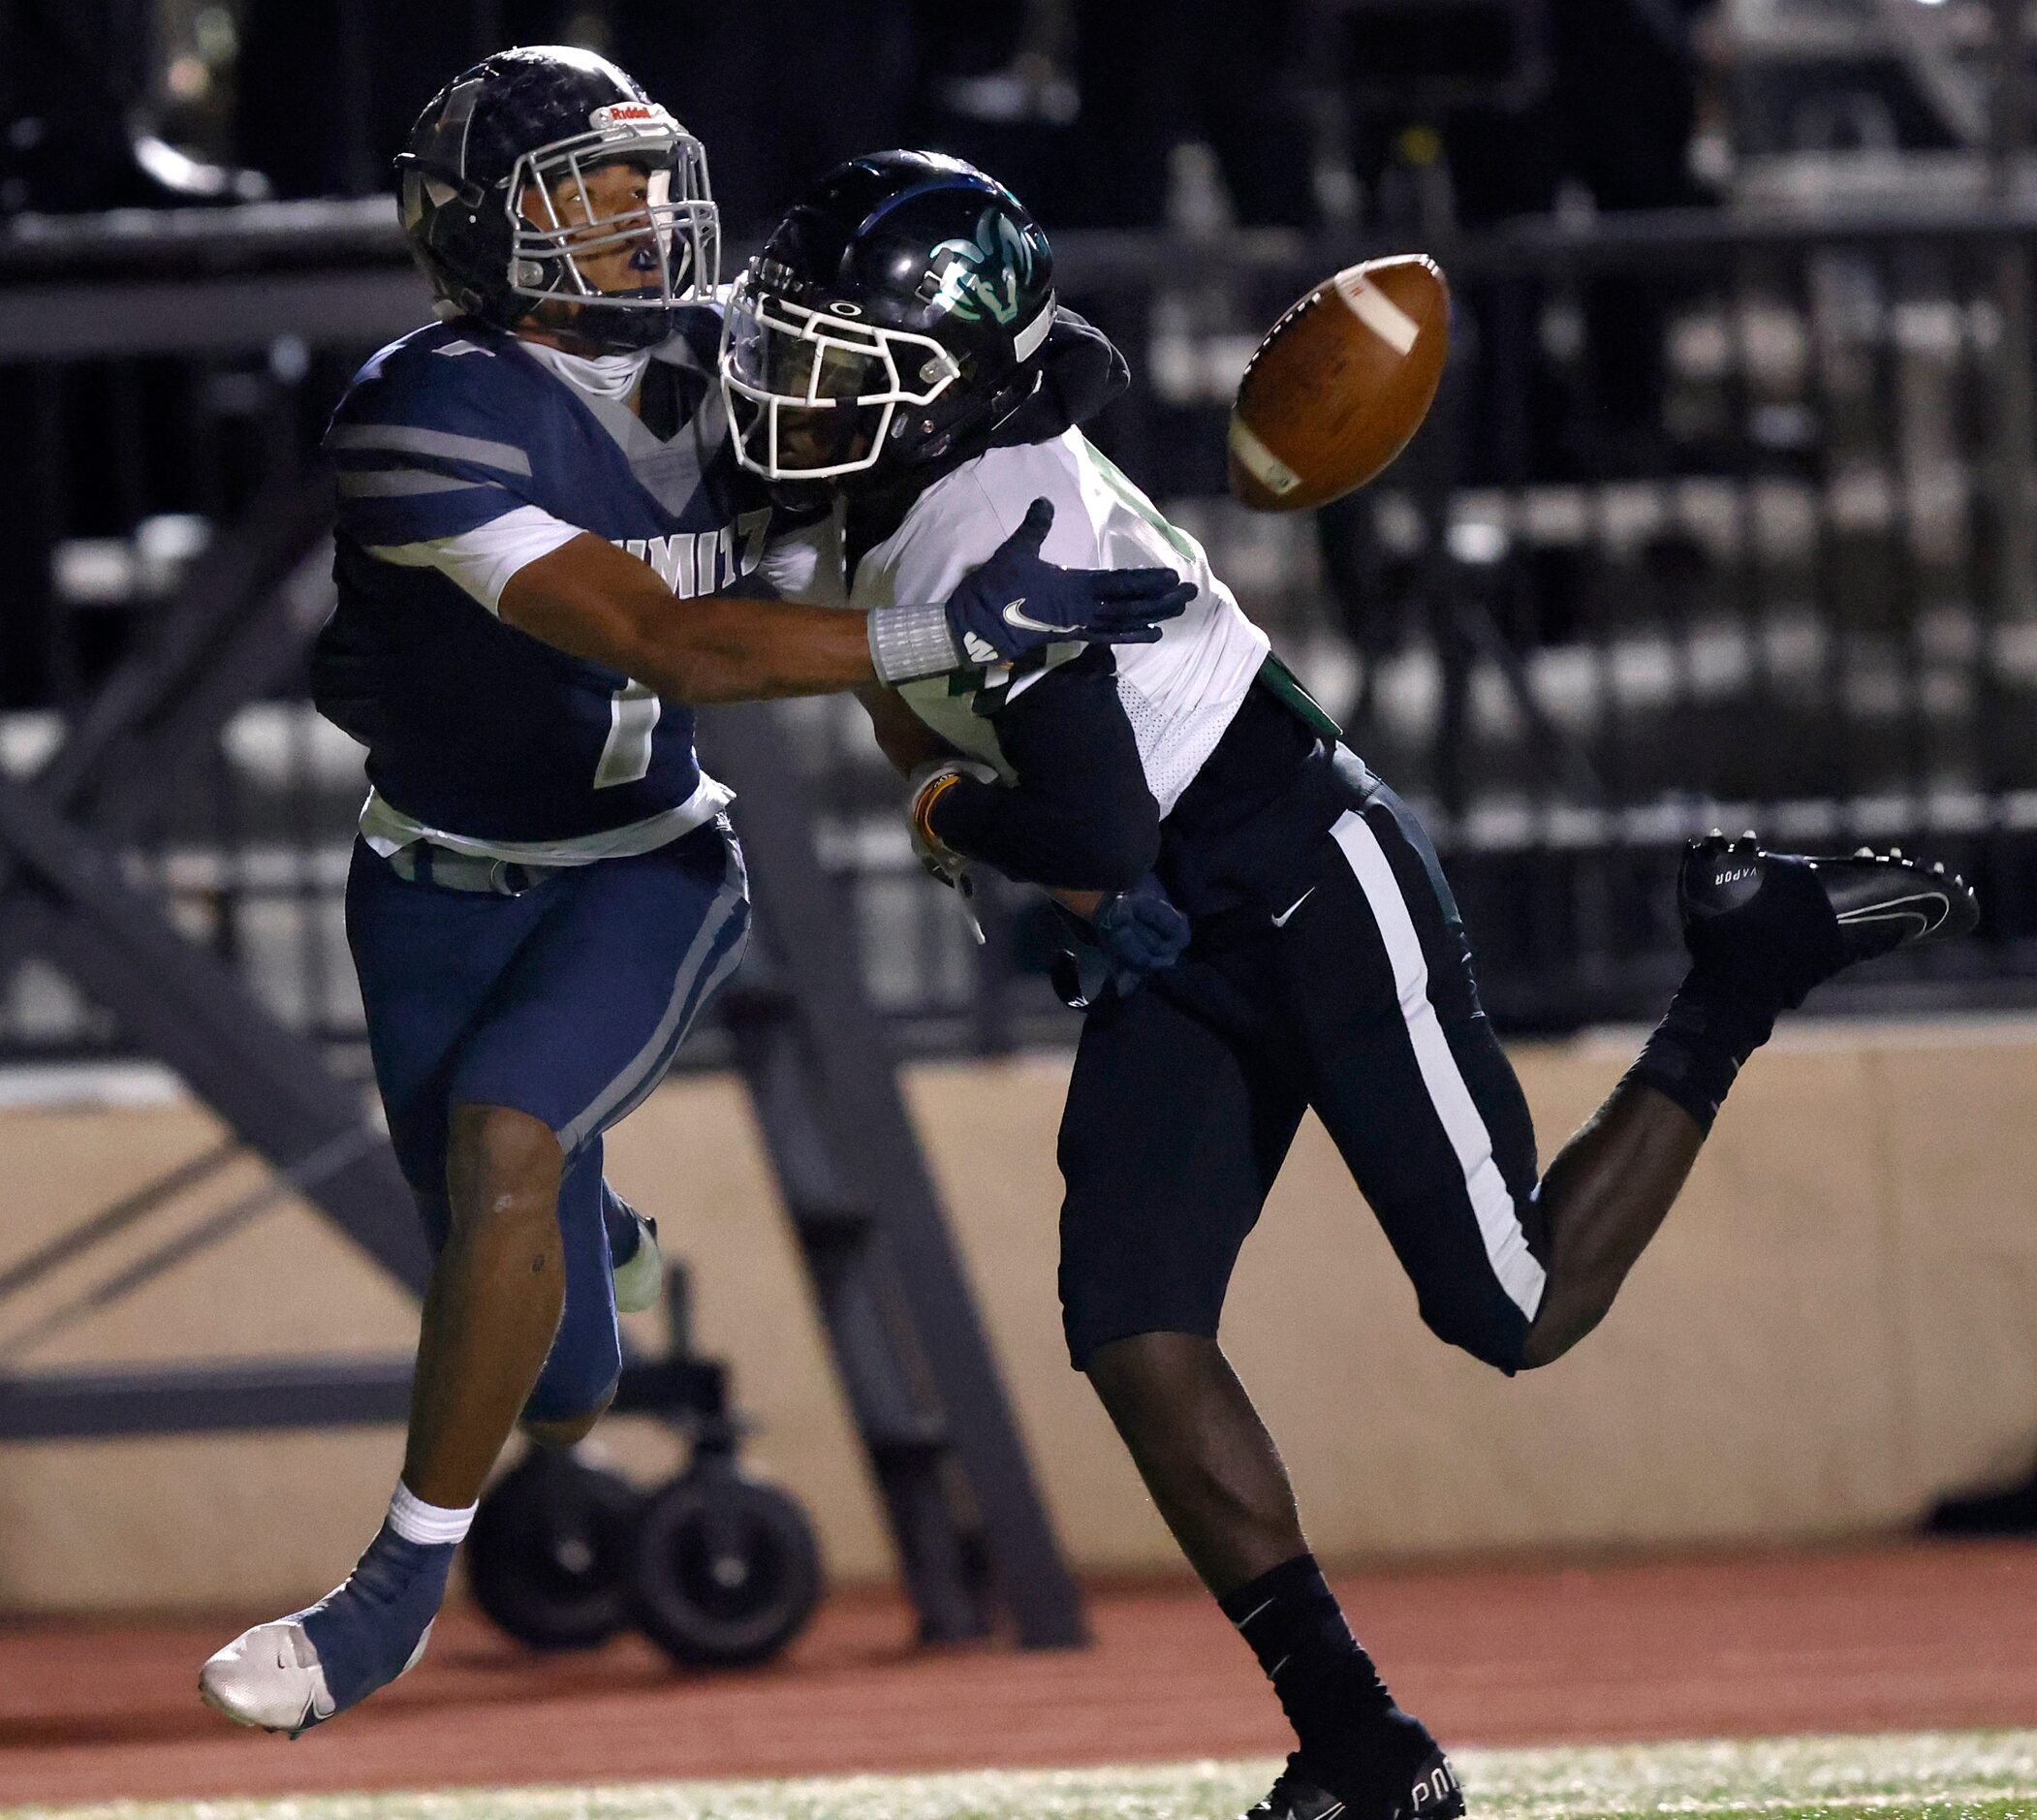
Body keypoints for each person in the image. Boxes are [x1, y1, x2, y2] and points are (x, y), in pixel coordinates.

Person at [717, 149, 1980, 1820]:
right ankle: (1361, 1737)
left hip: (1298, 862)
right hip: (1182, 900)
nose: (791, 381)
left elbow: (1086, 820)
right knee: (1133, 1327)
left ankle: (1743, 971)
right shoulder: (912, 482)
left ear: (946, 376)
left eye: (834, 349)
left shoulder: (989, 509)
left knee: (1509, 1302)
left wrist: (951, 809)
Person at [196, 51, 1190, 1738]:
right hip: (423, 886)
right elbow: (671, 636)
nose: (637, 219)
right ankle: (594, 1242)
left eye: (644, 182)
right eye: (585, 191)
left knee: (507, 1143)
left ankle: (389, 1596)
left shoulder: (752, 362)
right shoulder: (421, 410)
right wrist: (952, 632)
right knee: (566, 1378)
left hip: (645, 865)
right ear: (472, 229)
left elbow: (868, 573)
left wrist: (991, 823)